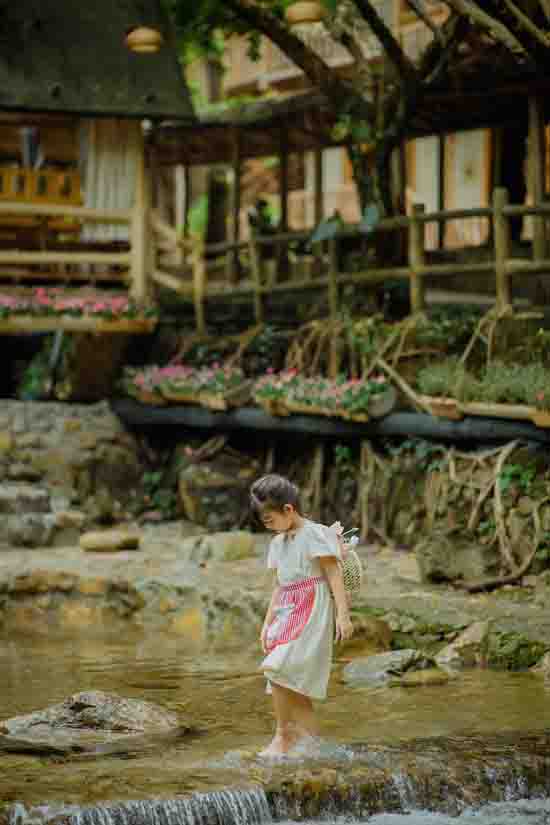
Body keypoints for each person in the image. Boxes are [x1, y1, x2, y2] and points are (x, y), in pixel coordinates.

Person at [250, 473, 353, 757]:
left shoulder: (314, 534)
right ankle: (312, 747)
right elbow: (279, 585)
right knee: (292, 683)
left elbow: (333, 572)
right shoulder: (278, 543)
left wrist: (343, 615)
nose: (270, 528)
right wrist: (267, 621)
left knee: (277, 667)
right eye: (265, 523)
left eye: (271, 520)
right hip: (287, 608)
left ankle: (283, 734)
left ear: (288, 509)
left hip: (312, 607)